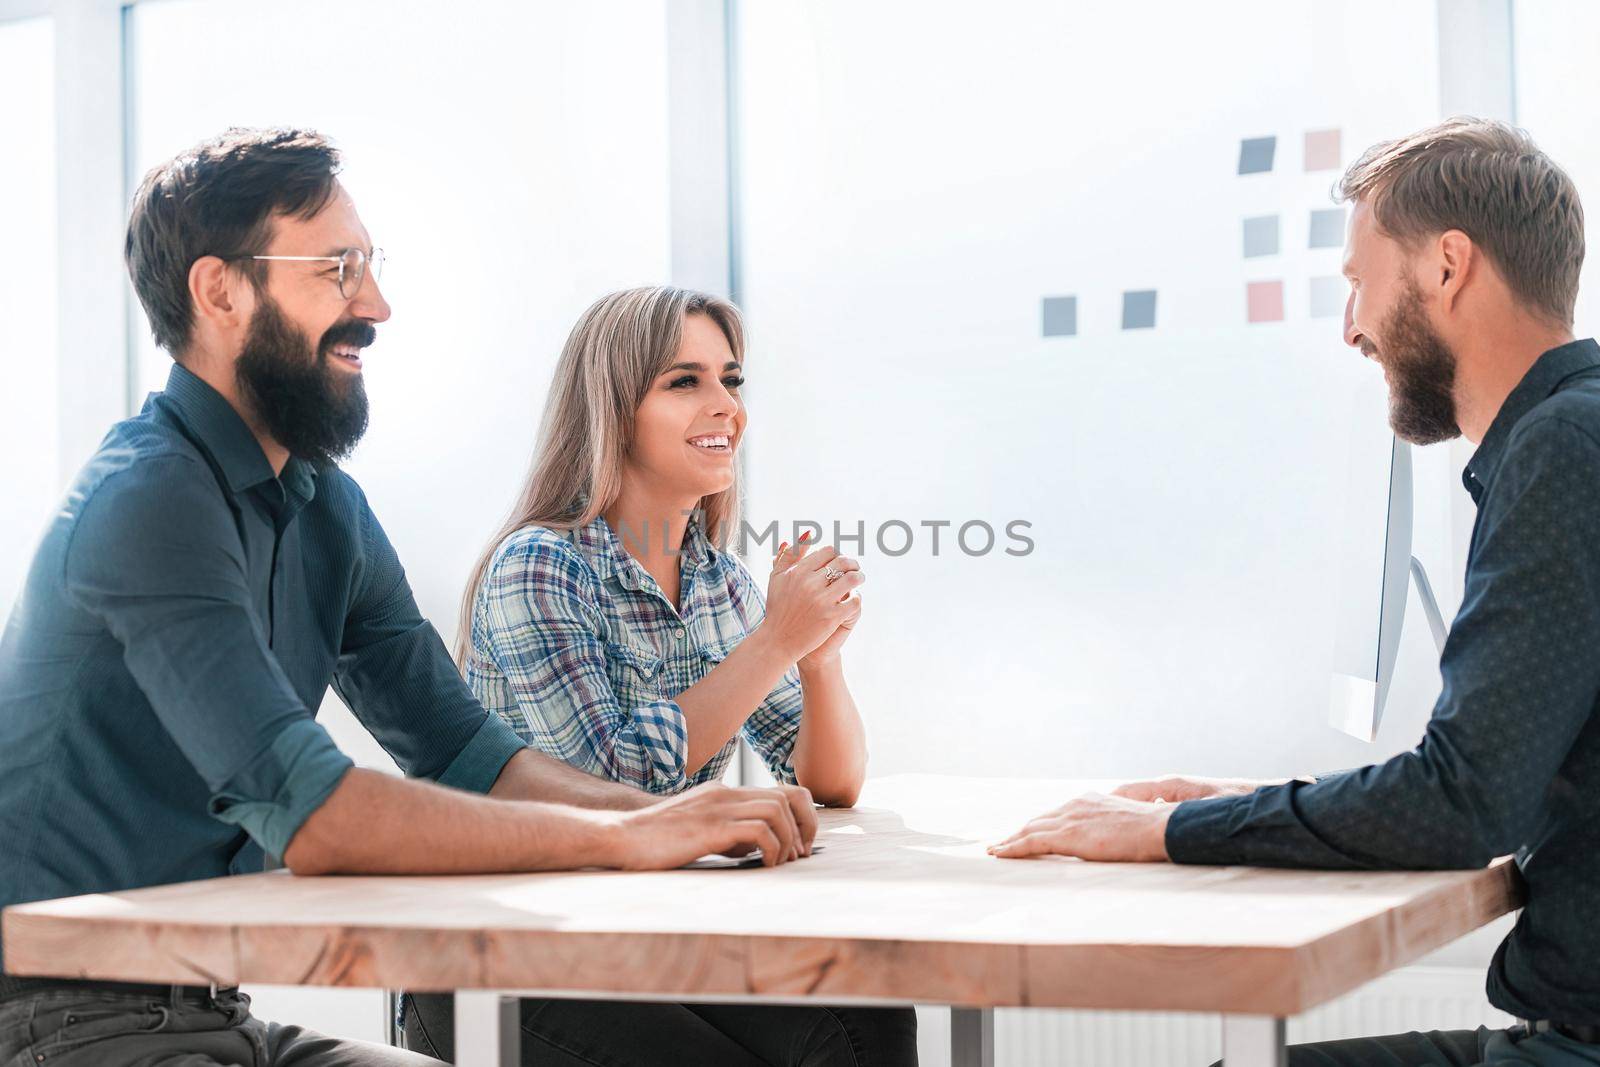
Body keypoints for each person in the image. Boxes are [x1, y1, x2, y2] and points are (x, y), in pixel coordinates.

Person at [0, 128, 816, 1067]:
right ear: (220, 291)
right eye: (337, 269)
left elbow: (467, 752)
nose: (376, 305)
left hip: (216, 1012)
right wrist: (626, 836)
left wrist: (653, 816)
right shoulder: (148, 499)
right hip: (58, 1025)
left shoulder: (324, 507)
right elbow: (316, 815)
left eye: (372, 265)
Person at [991, 117, 1600, 1066]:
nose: (1350, 327)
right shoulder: (1575, 435)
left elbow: (1467, 803)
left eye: (1358, 281)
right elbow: (1502, 778)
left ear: (1447, 266)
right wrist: (1260, 801)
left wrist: (1169, 831)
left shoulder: (1562, 452)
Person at [399, 286, 918, 1064]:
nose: (726, 407)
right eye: (685, 381)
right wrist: (774, 642)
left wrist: (818, 661)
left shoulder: (724, 584)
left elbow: (832, 784)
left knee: (869, 1018)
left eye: (731, 380)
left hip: (646, 931)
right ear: (613, 410)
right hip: (513, 949)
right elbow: (604, 785)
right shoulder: (539, 565)